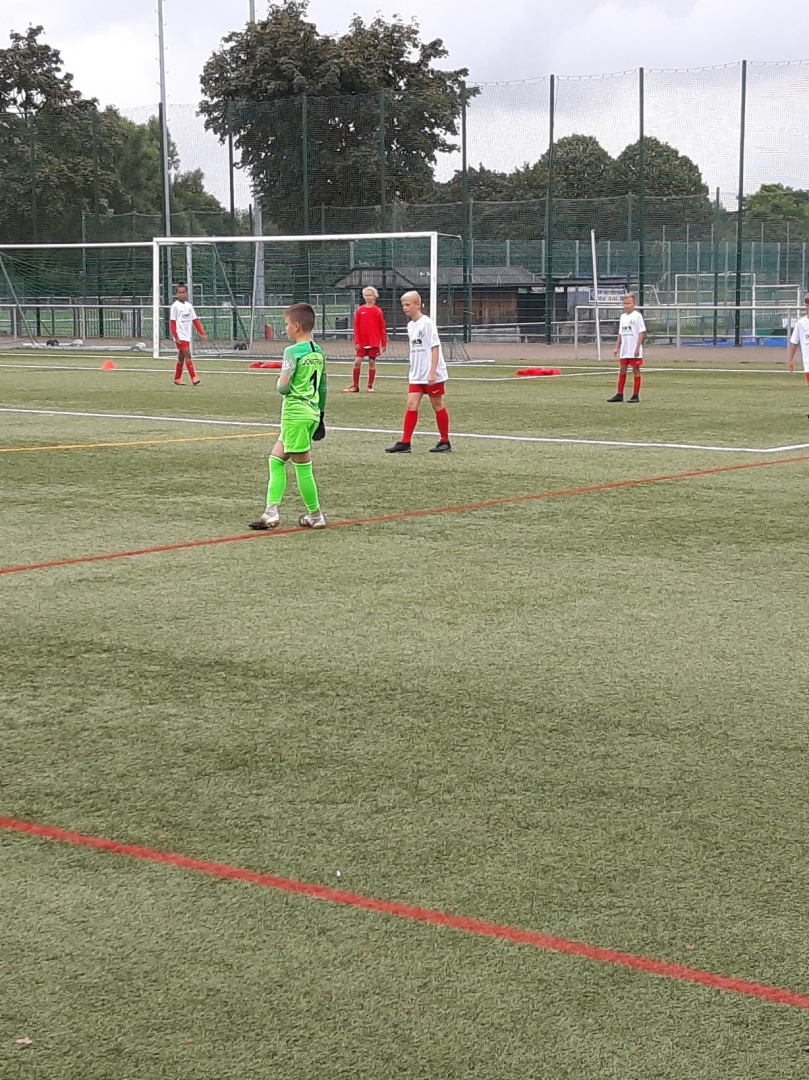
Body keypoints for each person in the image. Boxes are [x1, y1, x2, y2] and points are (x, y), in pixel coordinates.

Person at [248, 302, 327, 530]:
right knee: (275, 459)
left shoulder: (292, 352)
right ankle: (270, 512)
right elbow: (323, 386)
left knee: (303, 467)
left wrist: (279, 381)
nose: (285, 329)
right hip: (311, 411)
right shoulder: (318, 351)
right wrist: (321, 415)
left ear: (296, 326)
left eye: (286, 324)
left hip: (295, 412)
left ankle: (316, 515)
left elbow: (283, 387)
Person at [385, 290, 451, 454]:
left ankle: (445, 441)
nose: (405, 308)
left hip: (431, 374)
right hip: (416, 374)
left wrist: (433, 372)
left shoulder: (427, 323)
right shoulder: (410, 326)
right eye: (403, 305)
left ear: (417, 304)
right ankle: (405, 442)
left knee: (437, 405)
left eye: (408, 304)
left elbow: (435, 347)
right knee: (411, 405)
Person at [345, 286, 387, 393]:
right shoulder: (360, 310)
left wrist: (383, 343)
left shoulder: (378, 311)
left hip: (373, 342)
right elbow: (356, 327)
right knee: (357, 362)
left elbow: (382, 327)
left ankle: (370, 386)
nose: (368, 297)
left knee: (372, 363)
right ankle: (355, 386)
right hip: (362, 342)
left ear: (374, 296)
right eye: (366, 295)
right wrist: (356, 341)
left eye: (370, 295)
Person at [608, 292, 646, 403]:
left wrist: (637, 348)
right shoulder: (623, 317)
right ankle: (619, 394)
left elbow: (641, 332)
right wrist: (616, 347)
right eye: (624, 303)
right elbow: (620, 333)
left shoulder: (637, 316)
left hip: (634, 349)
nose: (626, 306)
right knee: (622, 369)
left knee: (635, 370)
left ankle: (635, 395)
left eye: (628, 303)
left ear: (634, 303)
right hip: (625, 349)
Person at [169, 283, 206, 386]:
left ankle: (177, 378)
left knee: (181, 357)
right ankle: (194, 377)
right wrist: (176, 336)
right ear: (176, 294)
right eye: (180, 292)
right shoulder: (175, 306)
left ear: (186, 293)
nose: (182, 294)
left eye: (183, 292)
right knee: (188, 355)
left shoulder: (189, 306)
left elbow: (195, 320)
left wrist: (201, 333)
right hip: (180, 335)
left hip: (187, 335)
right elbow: (172, 323)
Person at [787, 293, 809, 416]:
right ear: (806, 306)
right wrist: (790, 360)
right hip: (808, 362)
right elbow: (794, 342)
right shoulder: (801, 324)